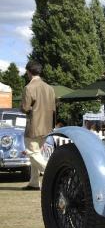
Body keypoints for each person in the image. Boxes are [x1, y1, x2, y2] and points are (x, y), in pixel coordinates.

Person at [20, 60, 56, 190]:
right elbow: (53, 108)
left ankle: (55, 174)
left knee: (32, 153)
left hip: (33, 126)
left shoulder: (28, 87)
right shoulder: (50, 88)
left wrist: (26, 109)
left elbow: (24, 108)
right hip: (47, 127)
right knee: (36, 153)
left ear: (29, 72)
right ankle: (34, 182)